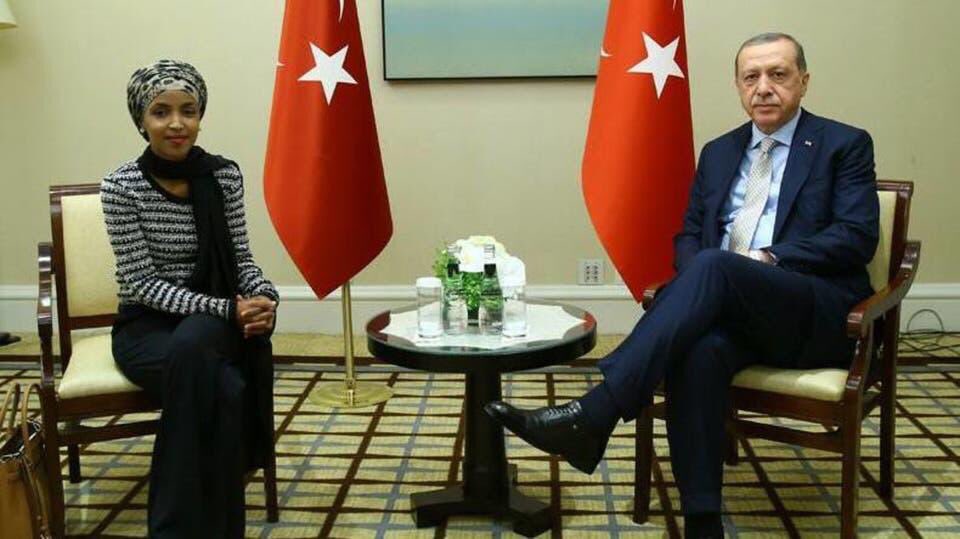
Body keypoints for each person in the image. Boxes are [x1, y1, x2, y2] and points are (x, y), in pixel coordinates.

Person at [485, 33, 879, 538]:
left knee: (716, 266)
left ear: (803, 80)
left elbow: (855, 236)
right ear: (737, 86)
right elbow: (690, 234)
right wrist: (711, 275)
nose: (764, 88)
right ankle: (702, 519)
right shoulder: (719, 152)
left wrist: (764, 259)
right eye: (750, 77)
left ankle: (596, 411)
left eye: (778, 75)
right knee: (699, 349)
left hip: (812, 312)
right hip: (734, 313)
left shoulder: (843, 145)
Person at [101, 59, 279, 538]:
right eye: (161, 112)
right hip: (146, 328)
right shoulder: (122, 186)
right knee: (224, 386)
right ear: (141, 120)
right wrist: (228, 309)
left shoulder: (224, 176)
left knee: (198, 347)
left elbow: (241, 258)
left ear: (201, 116)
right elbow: (142, 284)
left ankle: (173, 529)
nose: (176, 124)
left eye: (188, 110)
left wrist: (264, 297)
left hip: (211, 322)